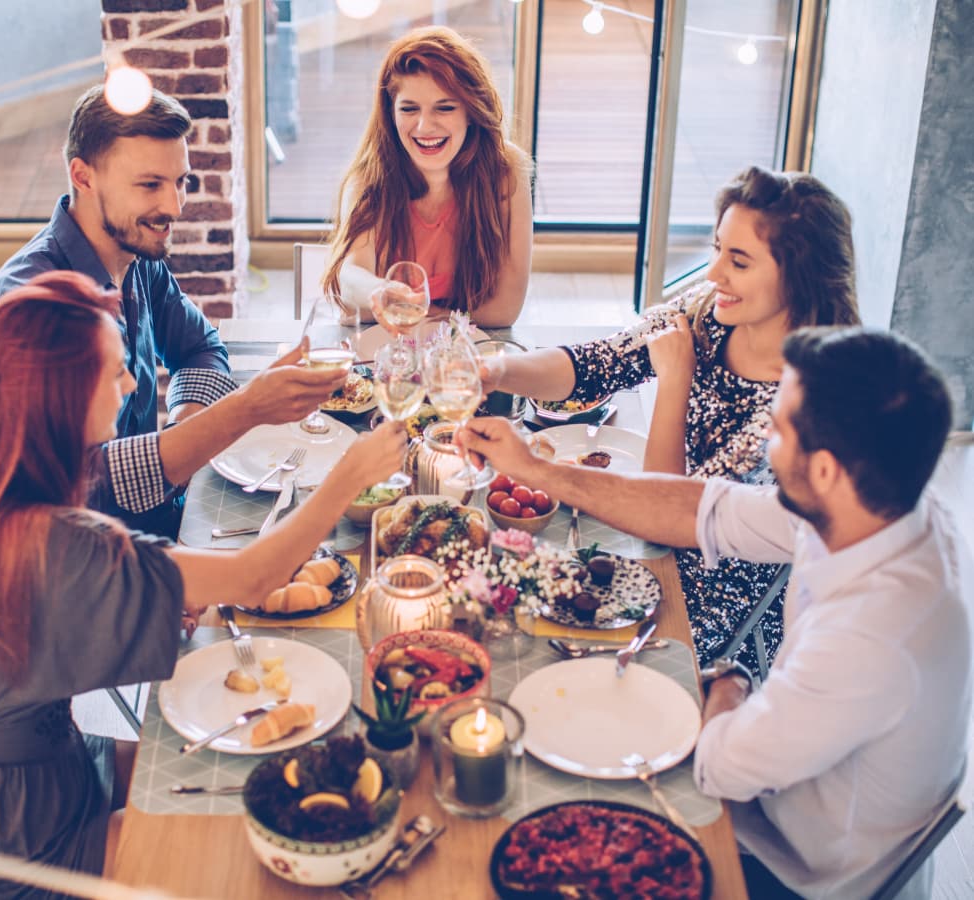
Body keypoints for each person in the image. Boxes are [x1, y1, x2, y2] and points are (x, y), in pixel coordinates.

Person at [0, 273, 406, 898]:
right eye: (116, 372)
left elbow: (51, 625)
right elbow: (255, 578)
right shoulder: (53, 544)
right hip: (16, 844)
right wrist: (348, 476)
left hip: (6, 781)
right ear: (61, 394)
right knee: (239, 855)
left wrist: (145, 597)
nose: (131, 385)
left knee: (221, 773)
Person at [463, 326, 971, 899]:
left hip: (791, 870)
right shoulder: (877, 504)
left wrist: (730, 679)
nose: (767, 441)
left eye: (779, 428)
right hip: (786, 793)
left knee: (524, 803)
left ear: (825, 470)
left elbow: (720, 767)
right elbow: (702, 507)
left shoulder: (872, 637)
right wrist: (538, 471)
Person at [483, 166, 861, 671]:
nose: (713, 274)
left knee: (539, 640)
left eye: (739, 261)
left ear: (799, 274)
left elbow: (674, 516)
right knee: (501, 588)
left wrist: (674, 381)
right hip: (648, 533)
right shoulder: (712, 310)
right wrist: (496, 369)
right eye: (717, 248)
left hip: (714, 597)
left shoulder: (800, 400)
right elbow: (597, 362)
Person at [0, 85, 329, 539]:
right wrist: (246, 408)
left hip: (151, 527)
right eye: (150, 185)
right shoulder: (33, 305)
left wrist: (184, 432)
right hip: (72, 568)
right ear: (82, 176)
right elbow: (76, 486)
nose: (174, 207)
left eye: (180, 181)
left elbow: (199, 346)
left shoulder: (134, 259)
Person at [322, 26, 533, 328]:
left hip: (465, 362)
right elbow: (350, 278)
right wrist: (379, 291)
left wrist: (413, 312)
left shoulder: (507, 169)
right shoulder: (368, 179)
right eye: (409, 109)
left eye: (444, 108)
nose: (424, 127)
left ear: (471, 112)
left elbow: (504, 311)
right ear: (390, 113)